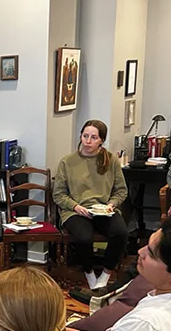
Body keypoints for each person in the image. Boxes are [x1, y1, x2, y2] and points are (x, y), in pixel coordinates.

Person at [53, 120, 128, 289]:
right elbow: (58, 194)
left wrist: (111, 204)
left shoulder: (111, 160)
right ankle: (89, 272)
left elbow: (121, 191)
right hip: (75, 210)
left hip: (103, 209)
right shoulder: (67, 162)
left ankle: (106, 273)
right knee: (83, 238)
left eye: (93, 137)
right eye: (85, 136)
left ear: (101, 140)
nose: (88, 141)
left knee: (121, 232)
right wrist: (75, 207)